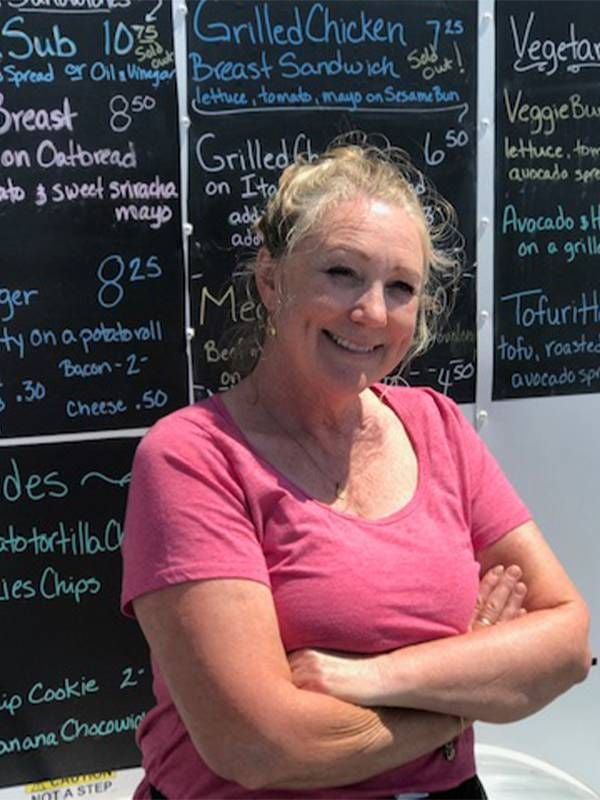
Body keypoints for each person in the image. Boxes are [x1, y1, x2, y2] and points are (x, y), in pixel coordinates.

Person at [120, 140, 591, 800]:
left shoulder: (440, 428)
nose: (372, 312)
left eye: (401, 287)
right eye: (342, 272)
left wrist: (376, 677)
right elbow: (258, 747)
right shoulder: (194, 459)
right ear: (272, 279)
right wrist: (468, 686)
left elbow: (566, 642)